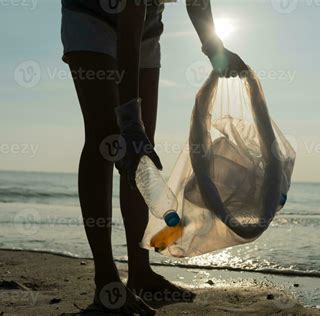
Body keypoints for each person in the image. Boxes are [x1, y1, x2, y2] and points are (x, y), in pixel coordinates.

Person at [61, 0, 248, 313]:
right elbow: (130, 14)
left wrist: (213, 46)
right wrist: (130, 121)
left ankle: (140, 273)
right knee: (107, 139)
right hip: (91, 15)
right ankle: (106, 281)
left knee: (142, 148)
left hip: (147, 27)